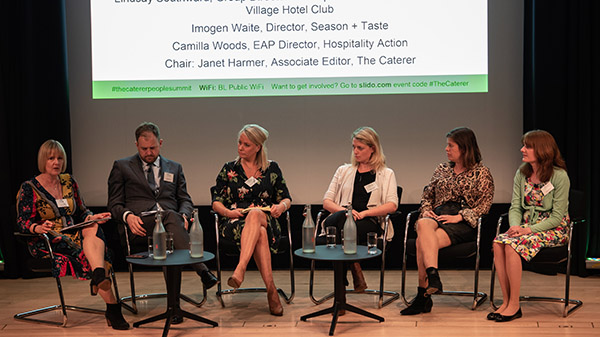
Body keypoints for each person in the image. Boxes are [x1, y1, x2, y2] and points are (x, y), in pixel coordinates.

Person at [107, 122, 218, 321]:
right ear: (136, 145)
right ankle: (202, 271)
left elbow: (184, 199)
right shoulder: (122, 166)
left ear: (160, 143)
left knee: (170, 232)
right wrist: (128, 216)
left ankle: (174, 310)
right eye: (144, 149)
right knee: (168, 217)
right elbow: (114, 205)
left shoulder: (174, 167)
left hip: (171, 227)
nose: (149, 152)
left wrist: (184, 215)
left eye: (153, 148)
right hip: (139, 225)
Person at [16, 140, 129, 330]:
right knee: (91, 256)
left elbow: (82, 212)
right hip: (49, 240)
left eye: (60, 158)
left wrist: (93, 216)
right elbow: (22, 221)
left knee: (93, 226)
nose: (56, 162)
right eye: (51, 158)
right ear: (43, 160)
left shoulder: (69, 181)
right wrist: (38, 228)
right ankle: (112, 306)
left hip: (75, 232)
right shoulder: (29, 187)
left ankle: (99, 276)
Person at [401, 127, 494, 315]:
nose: (446, 149)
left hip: (462, 220)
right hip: (438, 215)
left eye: (451, 146)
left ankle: (423, 296)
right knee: (422, 223)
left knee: (421, 242)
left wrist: (460, 216)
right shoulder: (442, 169)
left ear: (465, 149)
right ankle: (433, 277)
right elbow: (427, 195)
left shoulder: (482, 173)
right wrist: (427, 211)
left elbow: (484, 206)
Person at [488, 130, 570, 322]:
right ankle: (506, 301)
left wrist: (528, 230)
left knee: (511, 245)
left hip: (552, 230)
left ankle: (515, 305)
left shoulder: (559, 176)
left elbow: (558, 217)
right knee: (498, 242)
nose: (522, 149)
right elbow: (515, 206)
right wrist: (516, 226)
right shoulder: (522, 173)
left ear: (542, 150)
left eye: (527, 146)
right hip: (525, 228)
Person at [211, 124, 291, 316]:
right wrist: (228, 213)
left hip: (267, 219)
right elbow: (216, 203)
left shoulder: (272, 168)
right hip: (235, 221)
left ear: (258, 147)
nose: (240, 147)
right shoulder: (229, 169)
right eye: (239, 143)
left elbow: (286, 198)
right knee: (259, 232)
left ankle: (241, 268)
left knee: (256, 214)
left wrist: (281, 207)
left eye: (246, 144)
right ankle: (271, 291)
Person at [322, 127, 398, 294]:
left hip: (367, 222)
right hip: (339, 218)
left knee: (341, 234)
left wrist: (363, 213)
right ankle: (355, 268)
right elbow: (327, 201)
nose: (355, 152)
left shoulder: (386, 174)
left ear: (373, 149)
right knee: (343, 220)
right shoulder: (343, 171)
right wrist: (345, 212)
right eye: (353, 147)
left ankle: (340, 289)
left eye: (360, 148)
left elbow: (392, 205)